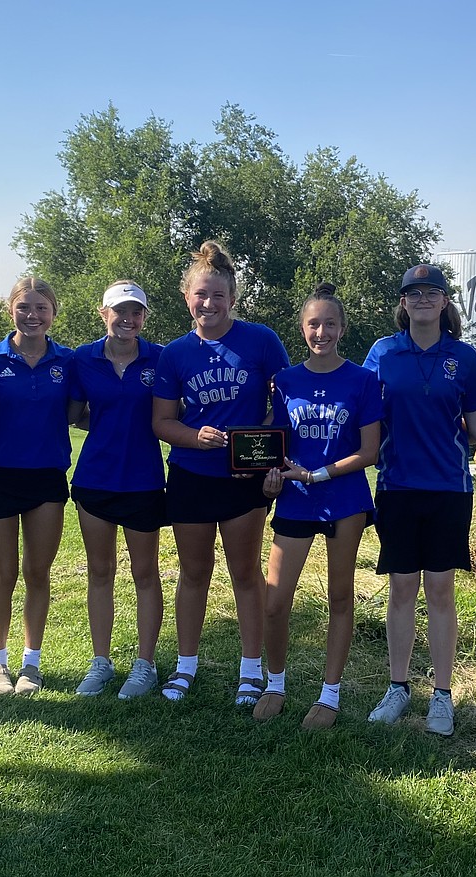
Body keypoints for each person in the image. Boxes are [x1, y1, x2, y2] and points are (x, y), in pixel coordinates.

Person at [362, 264, 476, 736]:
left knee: (440, 590)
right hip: (396, 486)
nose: (422, 299)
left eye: (432, 292)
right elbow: (355, 412)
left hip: (448, 489)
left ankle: (442, 695)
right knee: (402, 589)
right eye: (413, 293)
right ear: (403, 303)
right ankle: (398, 687)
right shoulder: (383, 352)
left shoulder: (463, 357)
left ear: (445, 302)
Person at [153, 241, 290, 706]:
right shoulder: (174, 354)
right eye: (200, 295)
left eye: (218, 296)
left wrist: (269, 456)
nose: (208, 304)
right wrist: (196, 437)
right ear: (186, 297)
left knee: (245, 574)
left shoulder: (261, 340)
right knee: (193, 574)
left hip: (244, 479)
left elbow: (286, 403)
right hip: (192, 474)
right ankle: (185, 667)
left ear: (233, 299)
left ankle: (250, 672)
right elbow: (163, 422)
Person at [255, 284, 382, 728]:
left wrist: (318, 474)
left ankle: (329, 694)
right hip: (294, 500)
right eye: (314, 323)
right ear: (302, 328)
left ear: (342, 328)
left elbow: (370, 451)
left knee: (340, 597)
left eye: (330, 323)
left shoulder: (364, 381)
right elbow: (275, 443)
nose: (321, 331)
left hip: (343, 499)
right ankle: (275, 683)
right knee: (274, 601)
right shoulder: (286, 381)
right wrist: (270, 477)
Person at [67, 281, 167, 698]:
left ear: (144, 316)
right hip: (95, 479)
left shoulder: (160, 358)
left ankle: (145, 665)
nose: (129, 319)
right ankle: (101, 662)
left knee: (145, 573)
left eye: (136, 312)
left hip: (143, 480)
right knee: (100, 571)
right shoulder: (82, 360)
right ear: (103, 313)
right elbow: (74, 414)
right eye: (120, 311)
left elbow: (173, 412)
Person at [0, 278, 72, 696]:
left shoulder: (68, 361)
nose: (33, 316)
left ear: (53, 313)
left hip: (47, 476)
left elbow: (86, 408)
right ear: (9, 310)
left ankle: (31, 663)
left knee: (37, 572)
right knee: (4, 572)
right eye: (24, 307)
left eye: (41, 308)